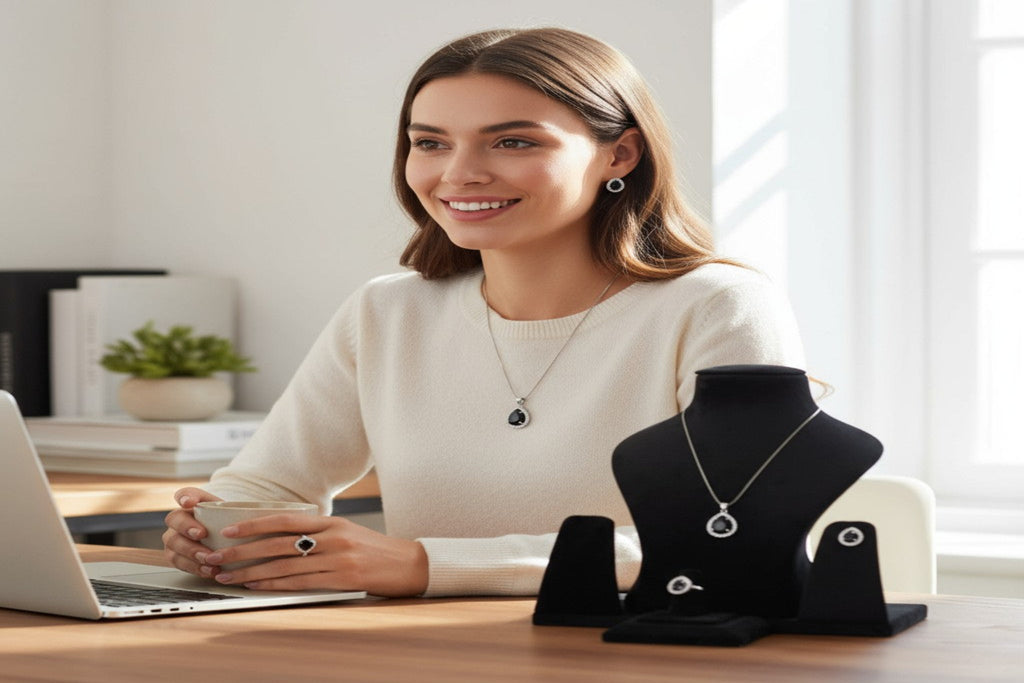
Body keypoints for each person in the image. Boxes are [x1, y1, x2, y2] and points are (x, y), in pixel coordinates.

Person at [162, 27, 805, 598]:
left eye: (513, 141)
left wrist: (421, 565)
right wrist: (215, 527)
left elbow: (733, 538)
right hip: (430, 655)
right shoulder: (388, 311)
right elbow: (268, 488)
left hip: (650, 652)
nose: (460, 173)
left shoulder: (717, 306)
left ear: (621, 155)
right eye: (431, 143)